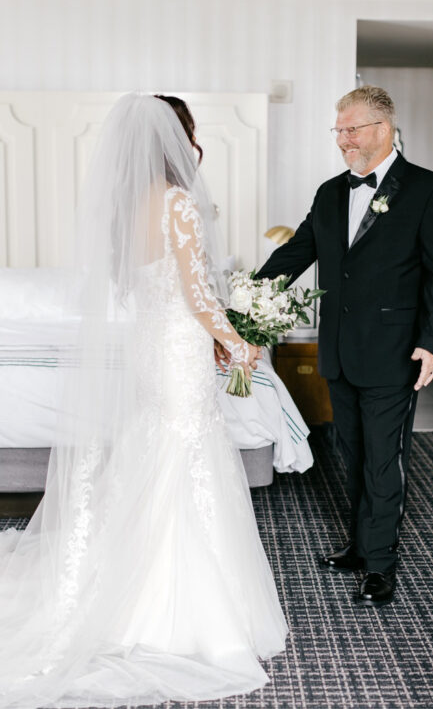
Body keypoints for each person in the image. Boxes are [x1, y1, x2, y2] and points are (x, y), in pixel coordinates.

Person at [0, 94, 286, 708]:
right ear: (177, 141)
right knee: (185, 449)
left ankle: (129, 580)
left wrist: (215, 332)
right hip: (179, 341)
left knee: (159, 445)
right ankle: (169, 609)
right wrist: (236, 342)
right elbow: (197, 292)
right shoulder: (179, 202)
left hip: (152, 341)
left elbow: (144, 284)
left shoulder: (127, 206)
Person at [255, 86, 433, 608]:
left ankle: (381, 565)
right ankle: (360, 545)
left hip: (396, 352)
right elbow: (296, 253)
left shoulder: (430, 190)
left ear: (384, 128)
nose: (343, 139)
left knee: (384, 460)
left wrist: (432, 344)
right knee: (353, 452)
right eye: (338, 130)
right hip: (339, 351)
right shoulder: (328, 192)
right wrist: (245, 305)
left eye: (352, 129)